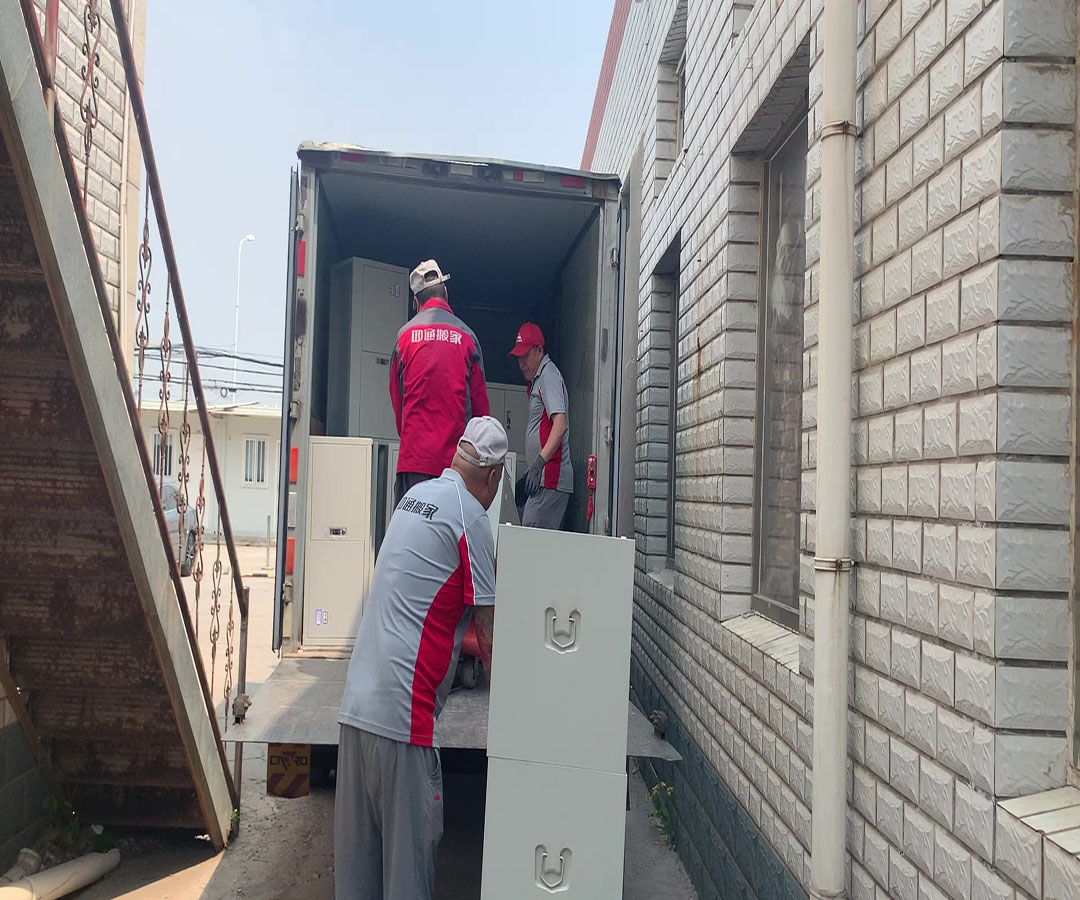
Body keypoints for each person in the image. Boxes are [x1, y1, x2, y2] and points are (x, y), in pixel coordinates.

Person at [334, 416, 506, 900]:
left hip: (355, 712)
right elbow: (490, 638)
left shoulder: (412, 500)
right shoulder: (472, 518)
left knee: (357, 884)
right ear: (493, 476)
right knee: (407, 882)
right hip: (403, 725)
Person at [389, 259, 490, 506]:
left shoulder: (403, 338)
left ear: (416, 302)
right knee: (452, 529)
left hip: (414, 464)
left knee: (411, 529)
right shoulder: (467, 338)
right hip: (457, 468)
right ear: (446, 293)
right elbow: (481, 414)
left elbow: (398, 406)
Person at [509, 322, 573, 530]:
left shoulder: (548, 376)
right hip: (544, 480)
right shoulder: (540, 378)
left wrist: (538, 465)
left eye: (526, 356)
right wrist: (530, 473)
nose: (521, 363)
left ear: (539, 350)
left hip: (551, 479)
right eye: (518, 357)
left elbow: (560, 424)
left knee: (530, 539)